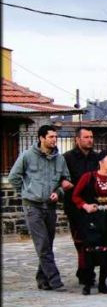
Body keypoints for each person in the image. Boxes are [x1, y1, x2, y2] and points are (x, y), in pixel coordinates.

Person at [8, 124, 74, 291]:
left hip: (50, 207)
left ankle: (42, 279)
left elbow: (66, 181)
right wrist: (27, 192)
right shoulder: (27, 156)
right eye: (51, 137)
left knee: (47, 244)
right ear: (41, 138)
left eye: (55, 137)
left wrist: (58, 192)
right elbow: (13, 177)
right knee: (43, 244)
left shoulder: (59, 159)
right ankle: (55, 280)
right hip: (33, 207)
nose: (54, 140)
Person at [71, 150, 107, 294]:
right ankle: (87, 284)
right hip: (92, 219)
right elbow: (76, 195)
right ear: (100, 162)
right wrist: (86, 206)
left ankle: (103, 283)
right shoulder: (88, 177)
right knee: (90, 251)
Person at [62, 127, 101, 287]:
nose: (89, 140)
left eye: (91, 137)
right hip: (75, 206)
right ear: (77, 139)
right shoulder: (67, 158)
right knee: (80, 241)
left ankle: (87, 270)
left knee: (93, 240)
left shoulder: (97, 158)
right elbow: (61, 177)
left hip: (94, 205)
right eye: (86, 137)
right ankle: (85, 272)